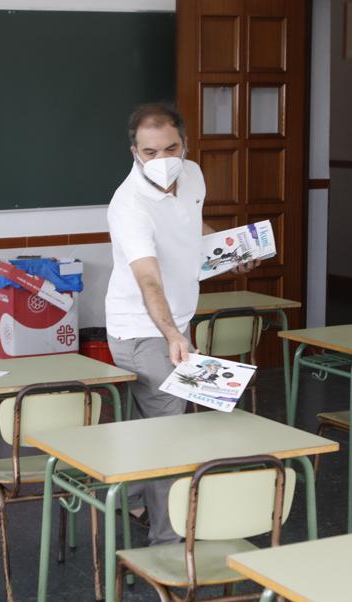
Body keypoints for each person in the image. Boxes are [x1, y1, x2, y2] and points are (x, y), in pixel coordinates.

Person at [104, 102, 255, 545]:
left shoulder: (191, 175)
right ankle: (169, 541)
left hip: (177, 319)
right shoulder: (128, 205)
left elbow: (192, 227)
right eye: (151, 152)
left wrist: (229, 252)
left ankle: (133, 498)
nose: (163, 159)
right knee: (171, 430)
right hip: (140, 327)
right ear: (134, 151)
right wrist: (172, 334)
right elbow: (148, 279)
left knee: (150, 421)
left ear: (185, 145)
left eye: (171, 148)